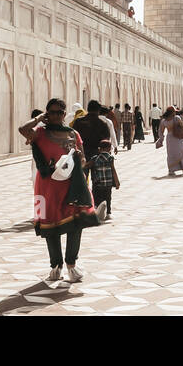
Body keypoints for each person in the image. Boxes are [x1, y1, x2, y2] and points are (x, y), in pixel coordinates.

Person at [19, 99, 99, 284]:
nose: (55, 115)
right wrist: (39, 118)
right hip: (46, 186)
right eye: (52, 112)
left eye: (59, 112)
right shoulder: (39, 133)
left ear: (64, 114)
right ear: (47, 114)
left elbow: (84, 160)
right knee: (50, 227)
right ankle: (56, 266)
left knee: (76, 224)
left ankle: (71, 264)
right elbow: (23, 129)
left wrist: (80, 157)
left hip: (71, 185)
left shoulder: (73, 133)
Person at [89, 140, 119, 221]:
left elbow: (87, 166)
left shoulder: (94, 158)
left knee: (97, 198)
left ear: (99, 149)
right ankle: (108, 213)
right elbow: (113, 170)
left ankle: (96, 213)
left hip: (97, 184)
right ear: (109, 149)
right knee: (108, 198)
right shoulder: (110, 158)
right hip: (108, 184)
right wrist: (117, 182)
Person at [156, 106, 183, 176]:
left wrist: (161, 139)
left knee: (171, 154)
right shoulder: (177, 118)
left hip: (169, 139)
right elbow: (182, 128)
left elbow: (160, 131)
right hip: (178, 137)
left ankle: (171, 170)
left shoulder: (164, 121)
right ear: (172, 112)